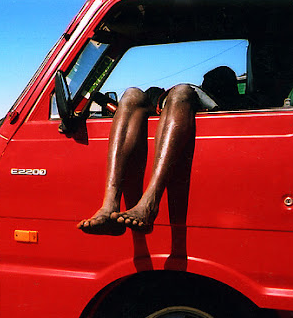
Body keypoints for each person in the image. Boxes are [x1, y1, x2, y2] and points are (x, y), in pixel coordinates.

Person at [78, 66, 241, 233]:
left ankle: (150, 203)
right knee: (131, 94)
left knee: (181, 92)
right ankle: (109, 205)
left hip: (184, 97)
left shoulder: (200, 98)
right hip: (163, 100)